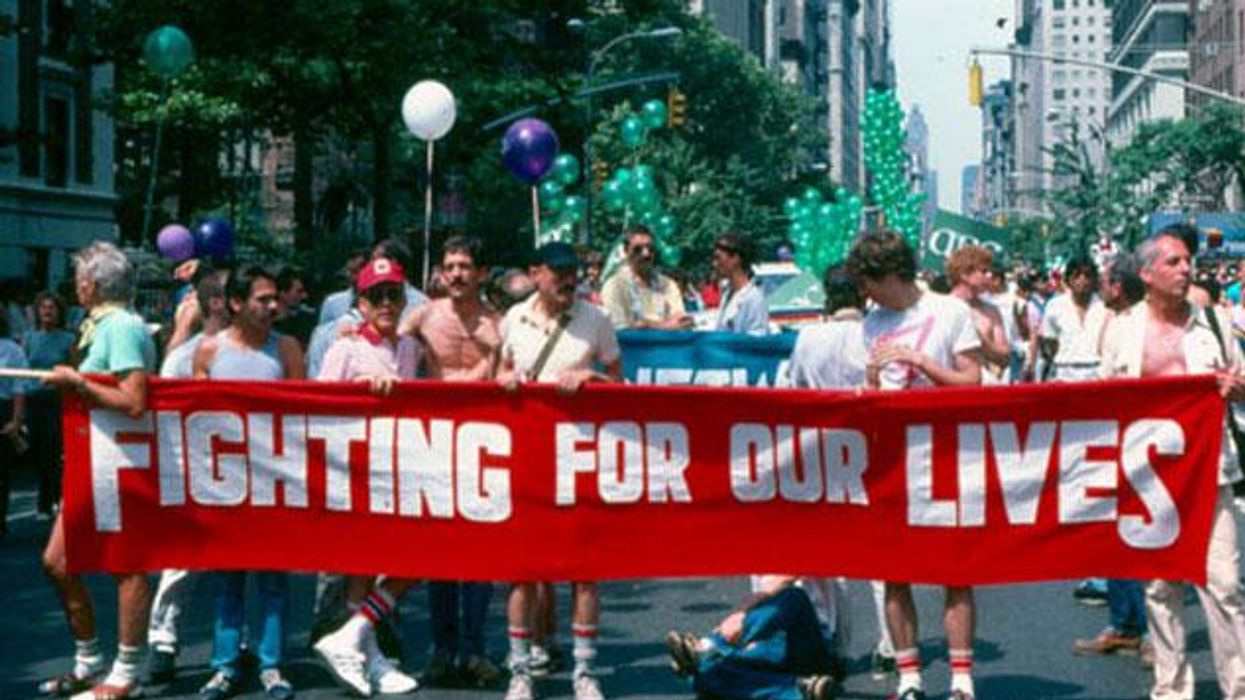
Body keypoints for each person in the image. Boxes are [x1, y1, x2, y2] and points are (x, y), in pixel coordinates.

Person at [1099, 230, 1245, 700]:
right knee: (1161, 588)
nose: (1186, 269)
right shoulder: (1122, 330)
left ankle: (1238, 686)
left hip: (1210, 472)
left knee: (1223, 585)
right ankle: (1171, 688)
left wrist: (1236, 389)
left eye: (1188, 261)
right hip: (1149, 480)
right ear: (1147, 274)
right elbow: (1103, 402)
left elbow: (1242, 381)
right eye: (1175, 262)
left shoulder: (1216, 323)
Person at [846, 231, 983, 700]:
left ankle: (961, 679)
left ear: (889, 274)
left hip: (946, 452)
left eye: (867, 281)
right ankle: (909, 677)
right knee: (893, 571)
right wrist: (869, 382)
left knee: (955, 570)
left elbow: (973, 382)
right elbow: (868, 398)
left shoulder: (949, 311)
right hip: (892, 459)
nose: (863, 292)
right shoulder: (870, 323)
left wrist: (922, 362)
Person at [497, 242, 622, 700]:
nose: (568, 279)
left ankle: (584, 671)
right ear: (536, 273)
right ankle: (521, 671)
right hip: (528, 459)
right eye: (558, 272)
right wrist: (505, 380)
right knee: (523, 571)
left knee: (584, 571)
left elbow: (620, 382)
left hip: (580, 459)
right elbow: (502, 373)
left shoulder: (597, 319)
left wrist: (592, 379)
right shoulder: (513, 318)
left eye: (573, 271)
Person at [40, 241, 157, 700]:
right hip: (90, 461)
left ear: (91, 285)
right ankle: (89, 663)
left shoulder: (122, 326)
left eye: (78, 281)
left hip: (120, 461)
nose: (75, 288)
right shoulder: (101, 324)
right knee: (57, 562)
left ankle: (128, 672)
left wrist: (76, 382)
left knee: (126, 563)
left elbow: (133, 401)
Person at [394, 236, 505, 688]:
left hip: (483, 441)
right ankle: (442, 650)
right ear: (440, 273)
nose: (457, 274)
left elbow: (509, 371)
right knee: (440, 551)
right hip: (436, 440)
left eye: (465, 266)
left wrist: (491, 362)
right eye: (450, 266)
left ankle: (475, 650)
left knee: (480, 553)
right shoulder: (421, 316)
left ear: (481, 273)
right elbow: (387, 349)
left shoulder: (499, 323)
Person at [312, 256, 423, 697]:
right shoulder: (345, 347)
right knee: (362, 566)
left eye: (393, 294)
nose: (386, 303)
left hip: (400, 467)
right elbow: (319, 408)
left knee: (413, 558)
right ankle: (368, 656)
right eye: (376, 295)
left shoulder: (411, 347)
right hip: (355, 471)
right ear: (361, 301)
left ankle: (354, 639)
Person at [192, 266, 303, 700]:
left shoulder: (288, 348)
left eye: (276, 298)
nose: (273, 306)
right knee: (228, 579)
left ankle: (271, 664)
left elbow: (303, 414)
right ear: (236, 303)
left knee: (274, 579)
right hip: (224, 486)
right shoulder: (208, 351)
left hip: (274, 482)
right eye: (263, 299)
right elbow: (193, 419)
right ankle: (224, 666)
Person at [144, 269, 232, 685]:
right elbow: (164, 405)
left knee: (244, 562)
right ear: (219, 303)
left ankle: (238, 641)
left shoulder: (260, 350)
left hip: (247, 473)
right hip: (197, 469)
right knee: (183, 559)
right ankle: (163, 638)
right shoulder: (185, 356)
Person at [1072, 251, 1151, 662]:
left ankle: (1151, 631)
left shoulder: (1141, 323)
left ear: (1118, 287)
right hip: (1111, 439)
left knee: (1145, 537)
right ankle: (1125, 624)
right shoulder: (1116, 321)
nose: (1101, 287)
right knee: (1114, 535)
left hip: (1138, 444)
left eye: (1105, 280)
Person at [664, 577, 837, 700]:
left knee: (793, 596)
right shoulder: (756, 542)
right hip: (767, 644)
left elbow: (784, 578)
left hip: (809, 641)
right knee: (703, 673)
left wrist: (739, 616)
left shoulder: (808, 533)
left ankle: (711, 646)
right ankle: (800, 690)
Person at [21, 291, 76, 518]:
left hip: (56, 400)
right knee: (35, 449)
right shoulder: (29, 338)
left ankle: (49, 500)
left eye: (51, 307)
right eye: (43, 307)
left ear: (59, 312)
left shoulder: (68, 339)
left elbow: (75, 368)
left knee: (52, 452)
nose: (47, 311)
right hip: (33, 398)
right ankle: (50, 494)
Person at [600, 224, 690, 329]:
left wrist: (645, 324)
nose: (646, 254)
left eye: (650, 248)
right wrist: (664, 325)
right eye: (638, 249)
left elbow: (682, 322)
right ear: (625, 251)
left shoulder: (668, 284)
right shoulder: (614, 286)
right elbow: (620, 329)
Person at [946, 246, 1011, 385]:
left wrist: (980, 340)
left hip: (981, 391)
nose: (990, 276)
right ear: (964, 274)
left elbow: (1005, 358)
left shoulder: (991, 311)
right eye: (984, 271)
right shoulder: (941, 308)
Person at [0, 311, 30, 538]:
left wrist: (16, 421)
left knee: (1, 471)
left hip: (3, 409)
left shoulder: (11, 349)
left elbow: (19, 387)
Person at [712, 232, 769, 334]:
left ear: (735, 259)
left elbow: (757, 340)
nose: (714, 264)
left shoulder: (753, 298)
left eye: (718, 258)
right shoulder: (727, 293)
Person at [274, 266, 317, 349]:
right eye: (298, 292)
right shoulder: (267, 323)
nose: (304, 296)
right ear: (283, 293)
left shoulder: (305, 322)